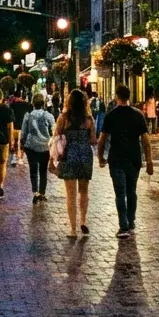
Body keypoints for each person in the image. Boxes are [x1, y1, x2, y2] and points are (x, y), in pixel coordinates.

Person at [98, 85, 153, 238]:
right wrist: (149, 161)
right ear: (129, 97)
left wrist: (100, 157)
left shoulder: (111, 115)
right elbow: (145, 141)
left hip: (116, 158)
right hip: (134, 157)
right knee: (131, 191)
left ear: (117, 96)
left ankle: (123, 226)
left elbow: (102, 140)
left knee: (120, 193)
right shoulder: (138, 115)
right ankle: (131, 220)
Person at [56, 89, 97, 238]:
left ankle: (73, 229)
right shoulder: (89, 120)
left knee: (70, 194)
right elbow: (93, 140)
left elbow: (56, 137)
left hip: (69, 155)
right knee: (84, 191)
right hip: (85, 155)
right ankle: (84, 220)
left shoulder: (64, 118)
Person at [20, 93, 56, 203]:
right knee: (43, 171)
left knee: (33, 170)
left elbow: (23, 132)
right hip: (45, 146)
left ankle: (35, 192)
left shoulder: (28, 115)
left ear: (33, 103)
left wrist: (22, 143)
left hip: (31, 146)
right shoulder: (49, 116)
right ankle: (42, 192)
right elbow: (53, 132)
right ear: (43, 103)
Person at [8, 93, 33, 166]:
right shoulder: (29, 105)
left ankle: (14, 158)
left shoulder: (12, 105)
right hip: (24, 128)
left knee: (14, 142)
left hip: (14, 127)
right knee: (22, 143)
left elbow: (10, 118)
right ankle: (20, 158)